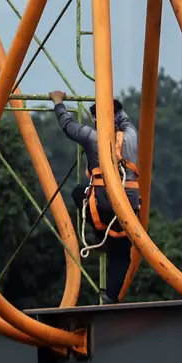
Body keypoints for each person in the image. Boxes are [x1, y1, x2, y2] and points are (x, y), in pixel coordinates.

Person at [49, 89, 141, 304]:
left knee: (77, 192)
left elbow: (68, 126)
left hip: (104, 204)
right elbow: (123, 118)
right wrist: (113, 107)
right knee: (121, 253)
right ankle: (110, 295)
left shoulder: (93, 137)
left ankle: (101, 238)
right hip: (129, 204)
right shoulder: (132, 135)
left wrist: (58, 102)